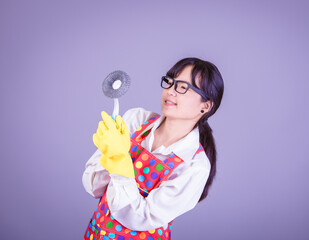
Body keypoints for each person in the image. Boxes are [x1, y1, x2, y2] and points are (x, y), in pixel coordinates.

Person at [82, 57, 224, 240]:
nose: (171, 91)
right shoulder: (136, 120)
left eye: (183, 87)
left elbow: (140, 218)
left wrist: (120, 162)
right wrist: (109, 154)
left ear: (205, 106)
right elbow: (93, 187)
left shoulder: (195, 166)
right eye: (170, 82)